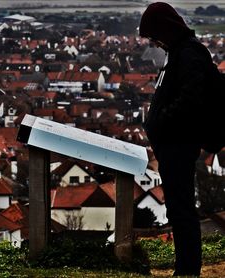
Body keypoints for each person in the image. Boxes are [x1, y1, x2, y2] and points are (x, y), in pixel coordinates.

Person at [139, 2, 216, 276]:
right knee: (178, 209)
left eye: (154, 36)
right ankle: (185, 267)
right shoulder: (180, 51)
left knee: (182, 211)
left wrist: (161, 121)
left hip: (179, 145)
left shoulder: (189, 53)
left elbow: (190, 100)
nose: (154, 43)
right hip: (174, 144)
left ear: (165, 29)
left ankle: (188, 269)